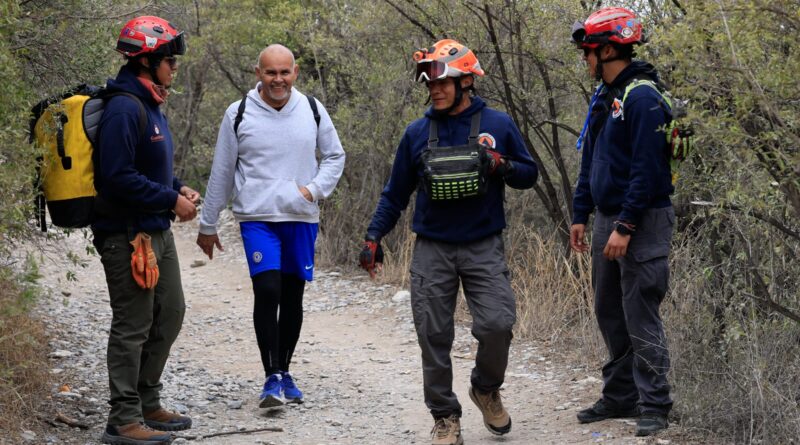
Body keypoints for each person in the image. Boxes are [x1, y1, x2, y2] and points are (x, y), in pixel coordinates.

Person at [358, 39, 538, 445]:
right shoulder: (417, 133)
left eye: (443, 82)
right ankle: (445, 417)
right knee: (433, 334)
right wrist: (374, 236)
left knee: (498, 324)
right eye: (430, 84)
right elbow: (395, 193)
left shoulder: (498, 124)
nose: (434, 90)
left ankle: (485, 388)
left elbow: (529, 175)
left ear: (466, 82)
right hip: (432, 248)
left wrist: (500, 164)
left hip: (483, 245)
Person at [197, 44, 345, 408]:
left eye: (284, 72)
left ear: (295, 73)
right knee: (267, 290)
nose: (278, 80)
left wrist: (313, 190)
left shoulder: (312, 109)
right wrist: (208, 223)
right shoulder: (239, 113)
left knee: (293, 295)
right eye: (270, 73)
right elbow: (222, 171)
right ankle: (271, 377)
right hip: (257, 217)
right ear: (258, 73)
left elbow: (335, 155)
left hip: (300, 216)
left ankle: (285, 371)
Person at [570, 7, 675, 437]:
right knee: (609, 310)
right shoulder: (605, 95)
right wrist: (580, 213)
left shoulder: (642, 98)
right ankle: (619, 396)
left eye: (588, 51)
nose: (585, 59)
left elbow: (648, 170)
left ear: (609, 50)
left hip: (642, 221)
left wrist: (626, 226)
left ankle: (655, 404)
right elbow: (591, 158)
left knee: (639, 311)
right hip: (607, 218)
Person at [92, 15, 198, 445]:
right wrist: (170, 200)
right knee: (133, 324)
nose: (174, 66)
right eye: (169, 59)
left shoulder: (149, 101)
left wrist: (177, 186)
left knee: (169, 313)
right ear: (145, 60)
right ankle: (123, 420)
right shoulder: (123, 107)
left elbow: (146, 166)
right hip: (127, 234)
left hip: (155, 230)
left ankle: (147, 401)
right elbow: (116, 176)